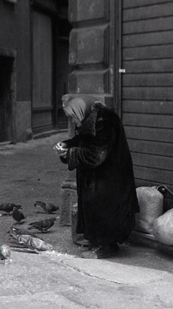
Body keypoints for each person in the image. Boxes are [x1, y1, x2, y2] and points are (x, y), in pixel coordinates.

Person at [55, 95, 139, 259]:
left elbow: (96, 155)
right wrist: (67, 144)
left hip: (109, 178)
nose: (72, 120)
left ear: (80, 110)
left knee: (105, 211)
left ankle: (105, 247)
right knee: (97, 209)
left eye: (72, 116)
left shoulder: (104, 121)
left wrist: (70, 153)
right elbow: (83, 140)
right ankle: (99, 243)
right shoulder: (90, 118)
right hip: (99, 178)